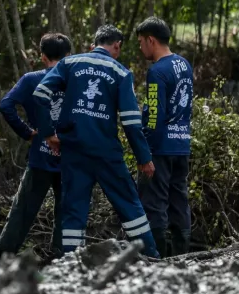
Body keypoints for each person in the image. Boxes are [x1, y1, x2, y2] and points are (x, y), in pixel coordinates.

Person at [32, 25, 159, 257]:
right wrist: (144, 157)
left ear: (94, 43)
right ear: (117, 45)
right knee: (129, 204)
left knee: (73, 210)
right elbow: (131, 121)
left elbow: (40, 94)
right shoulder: (121, 73)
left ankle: (71, 264)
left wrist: (48, 133)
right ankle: (151, 257)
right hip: (106, 152)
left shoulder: (69, 64)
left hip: (74, 150)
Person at [0, 33, 72, 267]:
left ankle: (0, 262)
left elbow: (6, 105)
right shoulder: (75, 80)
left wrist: (27, 132)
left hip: (40, 157)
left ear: (42, 56)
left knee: (23, 211)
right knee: (65, 213)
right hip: (70, 158)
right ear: (68, 55)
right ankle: (62, 262)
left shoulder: (31, 79)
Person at [135, 16, 193, 256]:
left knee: (154, 203)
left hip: (160, 148)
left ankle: (156, 259)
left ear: (151, 40)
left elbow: (154, 115)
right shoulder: (185, 64)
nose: (140, 48)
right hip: (182, 145)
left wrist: (145, 151)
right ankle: (183, 255)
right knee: (179, 201)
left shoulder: (157, 71)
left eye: (140, 42)